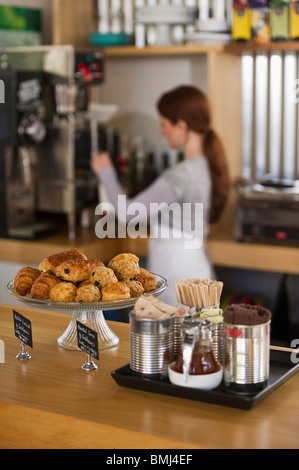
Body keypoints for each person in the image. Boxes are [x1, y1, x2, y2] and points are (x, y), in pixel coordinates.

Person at [90, 85, 230, 304]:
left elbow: (129, 213)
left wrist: (106, 172)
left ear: (181, 126)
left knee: (173, 336)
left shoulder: (184, 173)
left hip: (178, 273)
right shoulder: (203, 166)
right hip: (191, 268)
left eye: (164, 124)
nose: (162, 131)